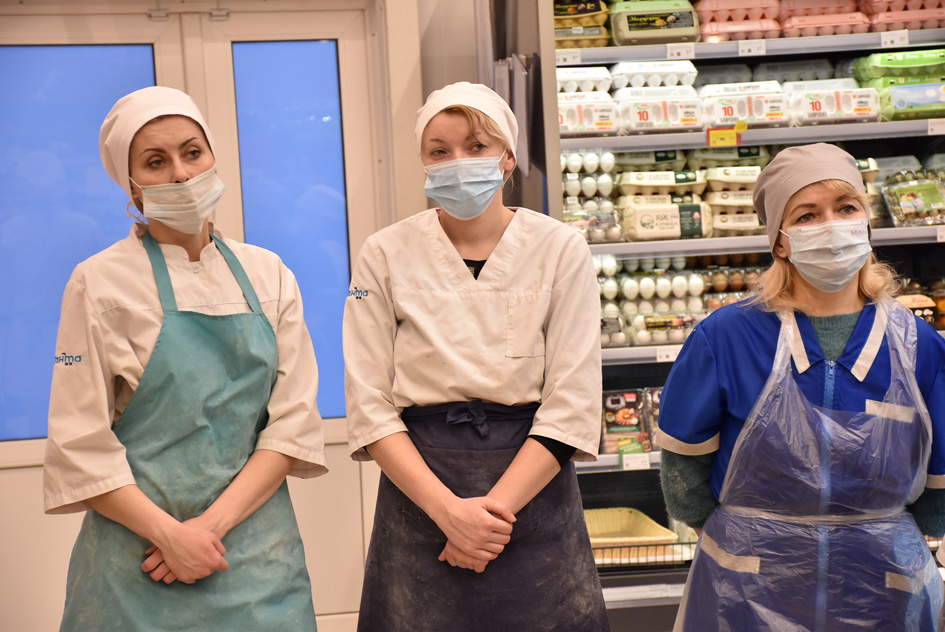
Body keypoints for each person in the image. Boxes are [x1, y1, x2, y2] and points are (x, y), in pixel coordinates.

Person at [43, 86, 327, 631]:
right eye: (156, 162)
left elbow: (291, 425)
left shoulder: (269, 274)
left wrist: (207, 530)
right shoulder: (99, 283)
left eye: (192, 153)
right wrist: (169, 536)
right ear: (131, 184)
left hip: (254, 559)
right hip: (138, 562)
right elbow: (80, 443)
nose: (180, 174)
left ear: (213, 157)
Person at [342, 82, 610, 632]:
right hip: (422, 496)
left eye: (477, 146)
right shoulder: (384, 253)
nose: (458, 162)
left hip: (532, 491)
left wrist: (488, 519)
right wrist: (448, 513)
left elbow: (573, 402)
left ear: (508, 158)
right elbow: (369, 404)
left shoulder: (560, 248)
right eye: (439, 151)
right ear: (423, 162)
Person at [657, 142, 945, 631]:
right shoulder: (726, 337)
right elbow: (683, 466)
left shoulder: (917, 344)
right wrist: (746, 532)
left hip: (881, 586)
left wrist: (886, 535)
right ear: (780, 242)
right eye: (807, 215)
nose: (831, 226)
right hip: (747, 586)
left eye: (846, 208)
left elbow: (938, 476)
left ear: (866, 223)